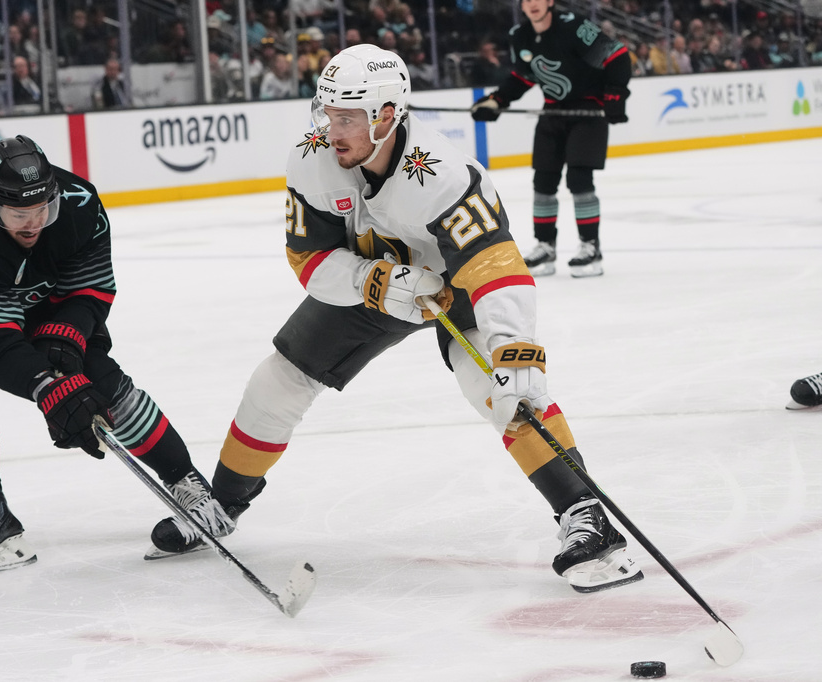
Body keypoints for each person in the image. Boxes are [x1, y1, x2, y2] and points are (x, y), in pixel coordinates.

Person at [146, 44, 644, 593]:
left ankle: (585, 515)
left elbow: (497, 268)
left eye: (349, 117)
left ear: (387, 114)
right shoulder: (312, 156)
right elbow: (307, 259)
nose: (333, 130)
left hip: (456, 287)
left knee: (503, 389)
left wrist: (514, 348)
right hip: (377, 282)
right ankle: (222, 504)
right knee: (277, 380)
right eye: (329, 113)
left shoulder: (443, 175)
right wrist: (374, 282)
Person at [0, 135, 224, 572]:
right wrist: (46, 387)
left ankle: (193, 490)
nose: (34, 223)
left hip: (51, 290)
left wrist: (66, 348)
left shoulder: (79, 205)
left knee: (92, 372)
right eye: (20, 214)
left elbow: (91, 288)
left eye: (43, 210)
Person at [470, 0, 630, 278]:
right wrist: (497, 100)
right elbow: (524, 76)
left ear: (550, 2)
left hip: (588, 111)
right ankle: (545, 246)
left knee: (579, 179)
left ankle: (590, 247)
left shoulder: (574, 26)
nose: (532, 4)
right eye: (526, 0)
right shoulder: (520, 35)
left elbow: (617, 56)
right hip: (552, 112)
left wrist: (615, 95)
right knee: (543, 182)